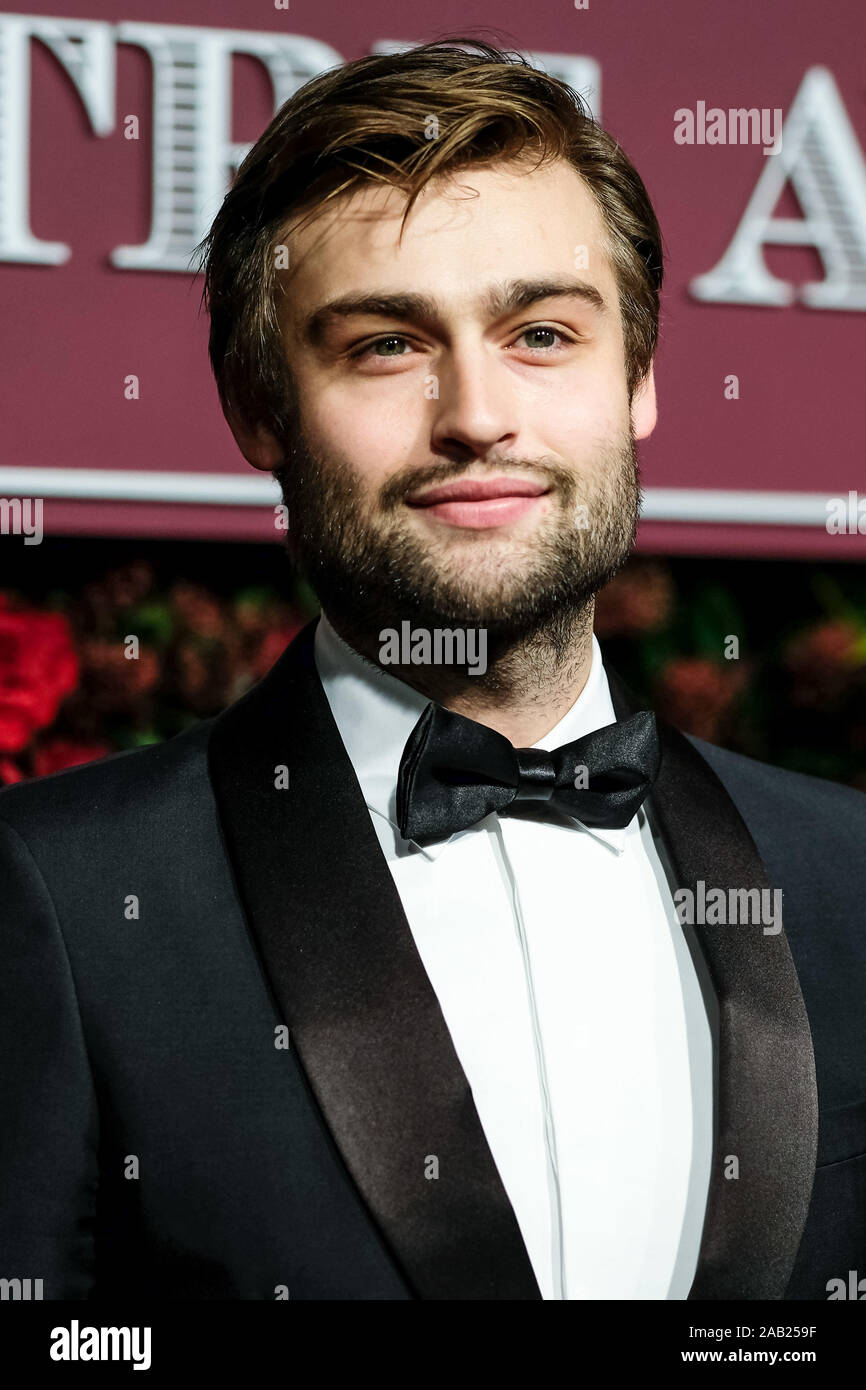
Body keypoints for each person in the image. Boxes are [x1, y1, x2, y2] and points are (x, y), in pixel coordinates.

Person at [1, 37, 864, 1302]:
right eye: (385, 346)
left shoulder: (844, 872)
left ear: (638, 380)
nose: (474, 412)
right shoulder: (62, 899)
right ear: (256, 405)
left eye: (540, 332)